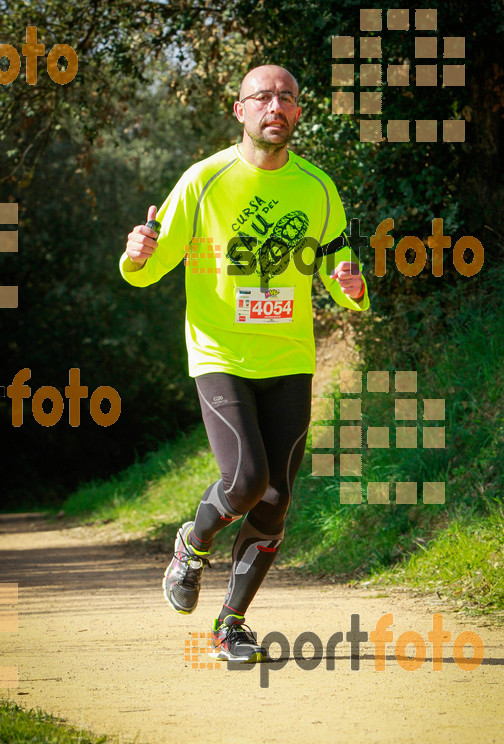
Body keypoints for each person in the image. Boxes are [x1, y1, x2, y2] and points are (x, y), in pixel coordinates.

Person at [119, 64, 370, 663]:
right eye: (262, 97)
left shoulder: (318, 187)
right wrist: (137, 254)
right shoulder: (203, 180)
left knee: (277, 497)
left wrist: (352, 286)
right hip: (221, 355)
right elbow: (149, 270)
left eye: (287, 96)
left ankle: (230, 624)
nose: (275, 106)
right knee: (247, 479)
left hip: (288, 357)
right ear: (240, 110)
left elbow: (344, 276)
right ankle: (193, 542)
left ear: (299, 112)